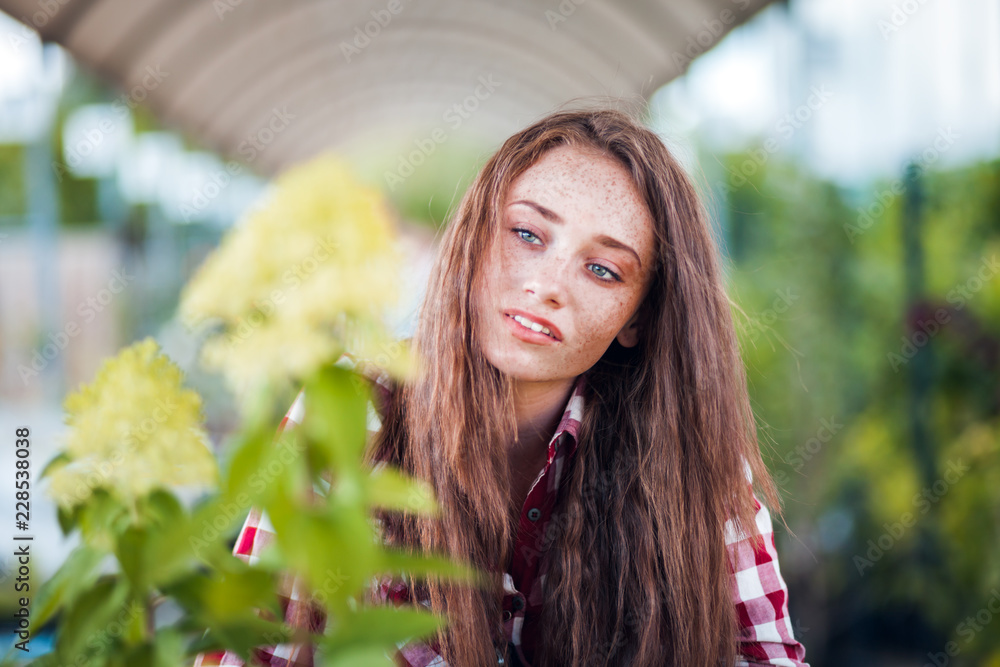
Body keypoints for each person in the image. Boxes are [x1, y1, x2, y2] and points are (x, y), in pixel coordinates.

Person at [195, 106, 809, 667]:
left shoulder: (697, 462)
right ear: (475, 236)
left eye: (602, 269)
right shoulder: (352, 411)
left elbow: (763, 656)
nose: (547, 285)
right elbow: (251, 648)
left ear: (639, 317)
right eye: (527, 234)